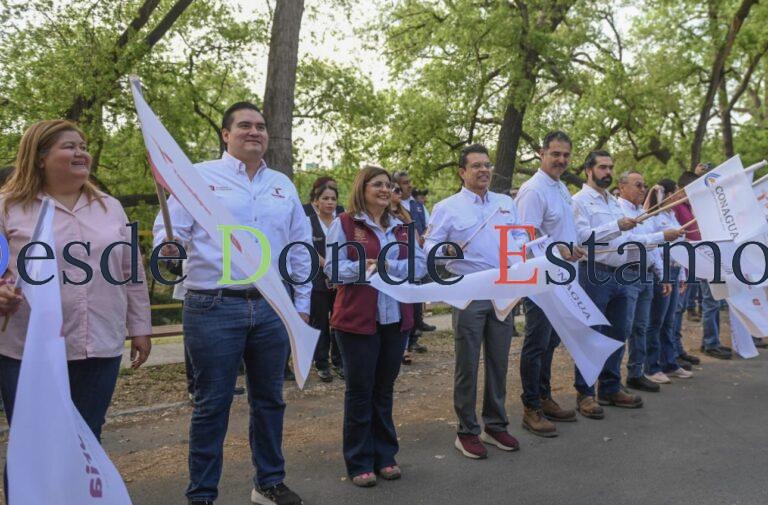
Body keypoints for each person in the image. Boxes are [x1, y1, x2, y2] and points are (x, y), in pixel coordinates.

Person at [153, 102, 310, 505]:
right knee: (212, 405)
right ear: (226, 134)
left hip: (273, 307)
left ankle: (269, 483)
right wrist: (168, 249)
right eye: (244, 125)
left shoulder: (282, 184)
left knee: (270, 399)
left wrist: (301, 303)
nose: (254, 131)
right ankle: (202, 495)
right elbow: (169, 235)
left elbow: (299, 248)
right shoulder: (198, 178)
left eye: (260, 125)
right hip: (213, 306)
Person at [0, 120, 152, 443]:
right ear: (40, 157)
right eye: (70, 146)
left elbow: (131, 271)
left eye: (83, 146)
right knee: (32, 445)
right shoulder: (8, 207)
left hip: (99, 348)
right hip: (29, 351)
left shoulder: (110, 208)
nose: (81, 152)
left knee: (86, 442)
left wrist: (140, 327)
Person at [324, 166, 426, 487]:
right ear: (362, 188)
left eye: (389, 185)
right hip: (356, 322)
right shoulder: (344, 224)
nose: (385, 189)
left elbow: (420, 264)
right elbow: (333, 268)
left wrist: (382, 266)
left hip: (395, 321)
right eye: (378, 184)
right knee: (359, 392)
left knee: (384, 390)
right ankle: (359, 460)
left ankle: (385, 455)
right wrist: (364, 268)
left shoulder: (402, 227)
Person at [425, 143, 526, 458]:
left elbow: (520, 237)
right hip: (468, 292)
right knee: (467, 363)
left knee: (498, 361)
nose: (484, 170)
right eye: (476, 166)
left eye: (487, 165)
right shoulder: (447, 207)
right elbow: (430, 249)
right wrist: (451, 251)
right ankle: (466, 430)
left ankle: (495, 425)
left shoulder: (505, 203)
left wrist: (524, 252)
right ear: (462, 172)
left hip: (502, 292)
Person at [515, 131, 583, 437]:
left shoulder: (562, 188)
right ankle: (530, 407)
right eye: (555, 154)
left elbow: (561, 232)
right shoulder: (533, 191)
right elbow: (525, 241)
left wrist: (574, 249)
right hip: (541, 280)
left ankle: (544, 397)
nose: (561, 160)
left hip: (563, 279)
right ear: (541, 153)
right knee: (536, 342)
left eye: (566, 155)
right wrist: (559, 253)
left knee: (552, 342)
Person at [571, 151, 643, 419]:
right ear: (588, 170)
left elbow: (627, 236)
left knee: (617, 333)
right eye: (602, 167)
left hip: (621, 273)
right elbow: (581, 238)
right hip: (594, 273)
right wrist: (616, 226)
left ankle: (610, 387)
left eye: (610, 167)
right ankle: (585, 392)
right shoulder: (579, 201)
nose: (607, 171)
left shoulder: (613, 201)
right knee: (591, 333)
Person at [617, 170, 683, 393]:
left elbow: (651, 249)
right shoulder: (618, 210)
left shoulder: (642, 213)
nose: (643, 189)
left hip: (646, 274)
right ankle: (613, 380)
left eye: (644, 186)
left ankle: (636, 373)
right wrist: (661, 236)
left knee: (641, 327)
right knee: (623, 328)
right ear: (622, 187)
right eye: (638, 185)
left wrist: (660, 273)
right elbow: (631, 241)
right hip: (626, 273)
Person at [671, 172, 730, 360]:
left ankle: (711, 342)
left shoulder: (695, 207)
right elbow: (679, 235)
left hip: (706, 259)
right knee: (680, 308)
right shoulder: (677, 208)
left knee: (712, 301)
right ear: (682, 191)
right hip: (688, 264)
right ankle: (676, 349)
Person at [643, 179, 693, 380]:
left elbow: (679, 248)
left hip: (674, 269)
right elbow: (654, 247)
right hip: (660, 271)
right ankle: (652, 367)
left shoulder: (672, 215)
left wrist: (681, 275)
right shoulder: (653, 217)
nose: (680, 195)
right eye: (677, 192)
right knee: (656, 320)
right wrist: (662, 275)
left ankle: (669, 363)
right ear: (668, 194)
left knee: (669, 320)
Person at [392, 170, 435, 349]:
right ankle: (403, 340)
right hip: (399, 258)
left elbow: (429, 225)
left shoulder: (417, 206)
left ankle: (414, 334)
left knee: (417, 296)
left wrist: (424, 237)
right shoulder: (390, 206)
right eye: (404, 183)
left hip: (418, 255)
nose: (409, 185)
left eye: (410, 181)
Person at [308, 181, 343, 382]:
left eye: (333, 199)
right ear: (316, 201)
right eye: (325, 199)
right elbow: (308, 249)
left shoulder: (342, 222)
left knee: (338, 323)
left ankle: (339, 362)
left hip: (340, 281)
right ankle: (322, 363)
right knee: (320, 322)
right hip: (319, 281)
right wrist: (328, 265)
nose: (330, 203)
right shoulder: (308, 222)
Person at [390, 180, 416, 366]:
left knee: (406, 310)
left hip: (404, 272)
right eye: (396, 189)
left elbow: (419, 260)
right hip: (384, 276)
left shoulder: (404, 216)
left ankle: (405, 347)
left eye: (400, 190)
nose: (399, 193)